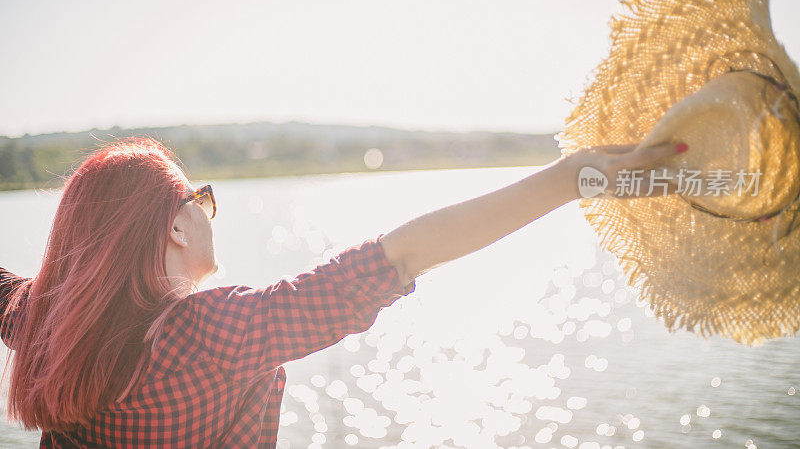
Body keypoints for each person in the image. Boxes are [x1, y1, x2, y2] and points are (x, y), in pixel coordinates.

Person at [0, 136, 685, 447]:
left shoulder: (44, 319)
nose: (211, 208)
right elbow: (403, 254)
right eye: (201, 196)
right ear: (174, 224)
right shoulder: (210, 331)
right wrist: (566, 179)